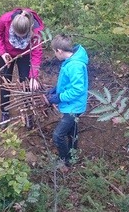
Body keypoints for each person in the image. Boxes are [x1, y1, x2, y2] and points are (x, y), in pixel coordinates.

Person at [0, 8, 45, 129]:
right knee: (5, 82)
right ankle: (5, 112)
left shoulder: (36, 30)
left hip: (25, 54)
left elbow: (37, 53)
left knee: (25, 83)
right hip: (7, 53)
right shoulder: (5, 19)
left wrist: (34, 76)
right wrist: (2, 52)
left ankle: (27, 113)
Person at [46, 34, 89, 170]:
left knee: (57, 135)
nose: (55, 55)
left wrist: (60, 98)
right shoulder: (71, 61)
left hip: (73, 107)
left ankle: (64, 160)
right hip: (74, 105)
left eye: (54, 51)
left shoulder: (75, 65)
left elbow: (78, 89)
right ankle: (72, 157)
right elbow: (69, 83)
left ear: (59, 50)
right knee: (72, 133)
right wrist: (56, 90)